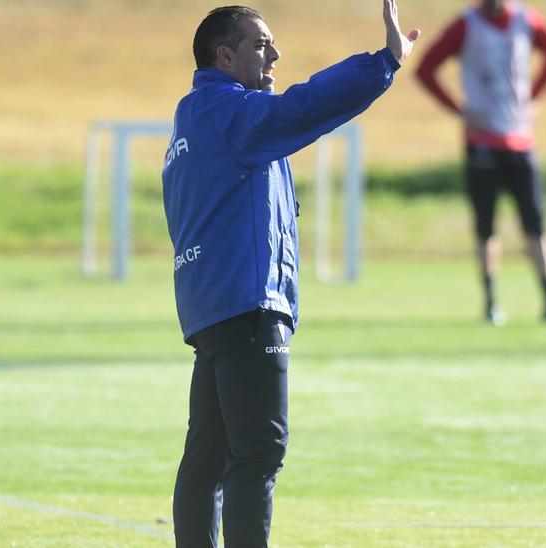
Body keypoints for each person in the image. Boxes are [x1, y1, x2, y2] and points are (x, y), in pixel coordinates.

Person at [162, 2, 419, 545]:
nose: (275, 54)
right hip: (247, 305)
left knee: (206, 461)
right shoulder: (232, 116)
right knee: (258, 453)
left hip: (211, 311)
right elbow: (305, 106)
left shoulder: (196, 119)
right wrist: (384, 63)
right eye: (261, 45)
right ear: (224, 55)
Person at [415, 0, 546, 325]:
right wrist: (460, 110)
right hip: (482, 142)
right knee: (486, 227)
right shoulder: (466, 25)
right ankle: (491, 303)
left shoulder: (527, 21)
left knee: (535, 223)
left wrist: (534, 96)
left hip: (521, 139)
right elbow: (425, 70)